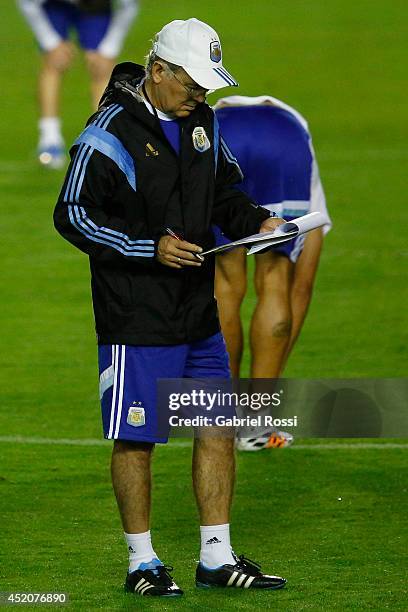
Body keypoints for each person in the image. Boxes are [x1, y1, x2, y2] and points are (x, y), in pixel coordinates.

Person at [53, 18, 287, 598]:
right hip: (136, 315)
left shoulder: (202, 123)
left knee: (216, 425)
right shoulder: (107, 135)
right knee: (137, 440)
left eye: (207, 85)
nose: (201, 95)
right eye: (192, 83)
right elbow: (72, 214)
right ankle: (141, 563)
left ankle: (216, 556)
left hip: (195, 311)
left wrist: (258, 221)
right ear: (158, 72)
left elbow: (226, 192)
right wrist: (145, 247)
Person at [213, 96, 332, 450]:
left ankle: (223, 419)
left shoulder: (211, 119)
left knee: (226, 283)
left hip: (220, 133)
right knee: (278, 278)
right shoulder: (295, 131)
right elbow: (304, 286)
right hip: (285, 139)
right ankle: (257, 425)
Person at [17, 0, 139, 168]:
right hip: (55, 5)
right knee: (53, 63)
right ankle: (50, 140)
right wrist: (51, 43)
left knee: (103, 69)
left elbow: (129, 7)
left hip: (96, 8)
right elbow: (27, 4)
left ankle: (107, 140)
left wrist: (108, 49)